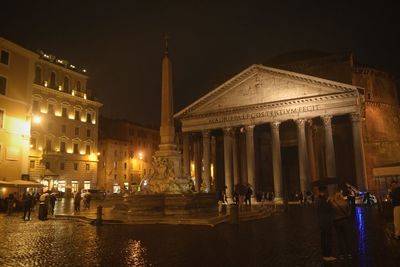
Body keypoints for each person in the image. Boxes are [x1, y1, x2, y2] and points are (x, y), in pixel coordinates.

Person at [330, 191, 352, 259]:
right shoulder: (345, 202)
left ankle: (341, 254)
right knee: (346, 237)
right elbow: (349, 212)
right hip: (345, 221)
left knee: (339, 238)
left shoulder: (332, 203)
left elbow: (330, 213)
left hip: (337, 222)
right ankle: (349, 253)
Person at [317, 185, 336, 262]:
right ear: (323, 191)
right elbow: (327, 209)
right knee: (326, 238)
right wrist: (328, 202)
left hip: (324, 221)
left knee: (326, 237)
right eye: (325, 191)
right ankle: (326, 255)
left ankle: (328, 254)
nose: (326, 192)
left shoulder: (321, 199)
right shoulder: (321, 200)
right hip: (325, 221)